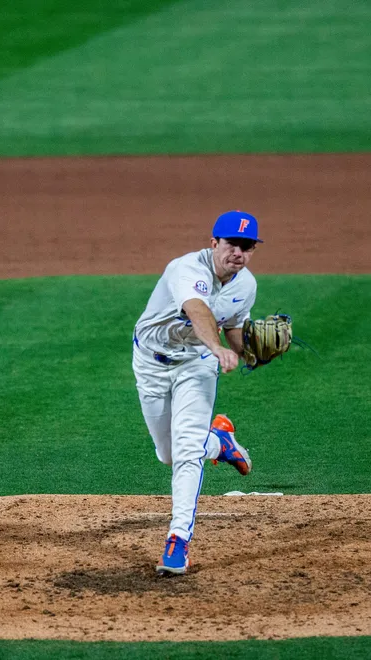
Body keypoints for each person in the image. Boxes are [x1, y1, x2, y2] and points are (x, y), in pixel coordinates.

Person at [131, 210, 262, 575]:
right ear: (214, 243)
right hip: (152, 363)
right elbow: (197, 309)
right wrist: (220, 347)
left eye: (247, 247)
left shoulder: (246, 285)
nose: (238, 252)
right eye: (232, 244)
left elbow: (235, 327)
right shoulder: (186, 269)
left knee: (187, 451)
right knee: (169, 454)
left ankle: (177, 540)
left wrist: (250, 352)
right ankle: (220, 443)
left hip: (197, 365)